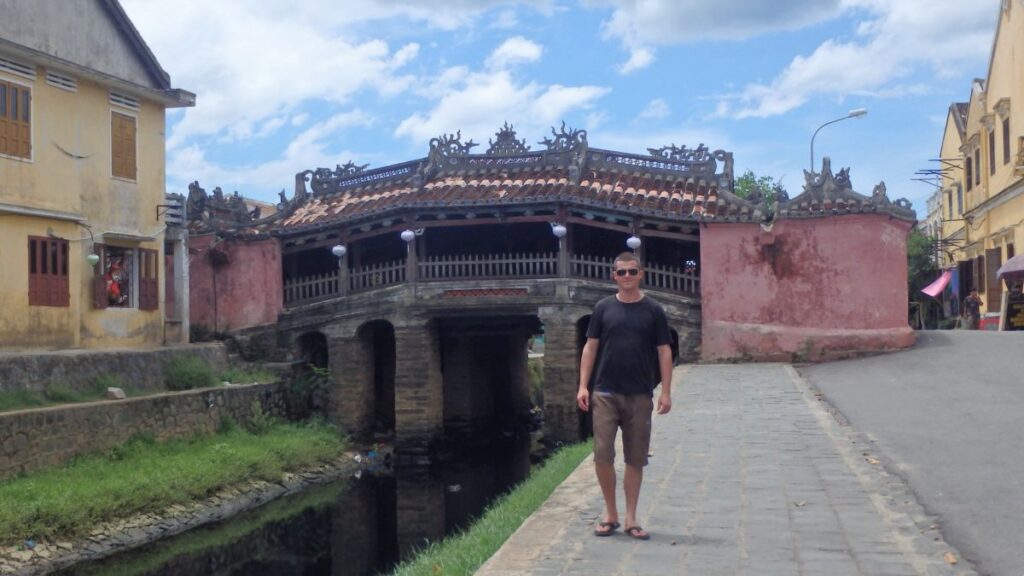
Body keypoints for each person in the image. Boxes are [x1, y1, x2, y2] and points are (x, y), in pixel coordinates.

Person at [577, 251, 673, 541]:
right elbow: (590, 347)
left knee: (635, 457)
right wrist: (583, 385)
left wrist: (666, 391)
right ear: (613, 275)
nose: (627, 277)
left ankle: (631, 517)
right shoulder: (603, 308)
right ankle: (611, 513)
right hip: (605, 391)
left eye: (633, 271)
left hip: (640, 394)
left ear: (641, 274)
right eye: (622, 272)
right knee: (602, 454)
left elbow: (664, 350)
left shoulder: (653, 310)